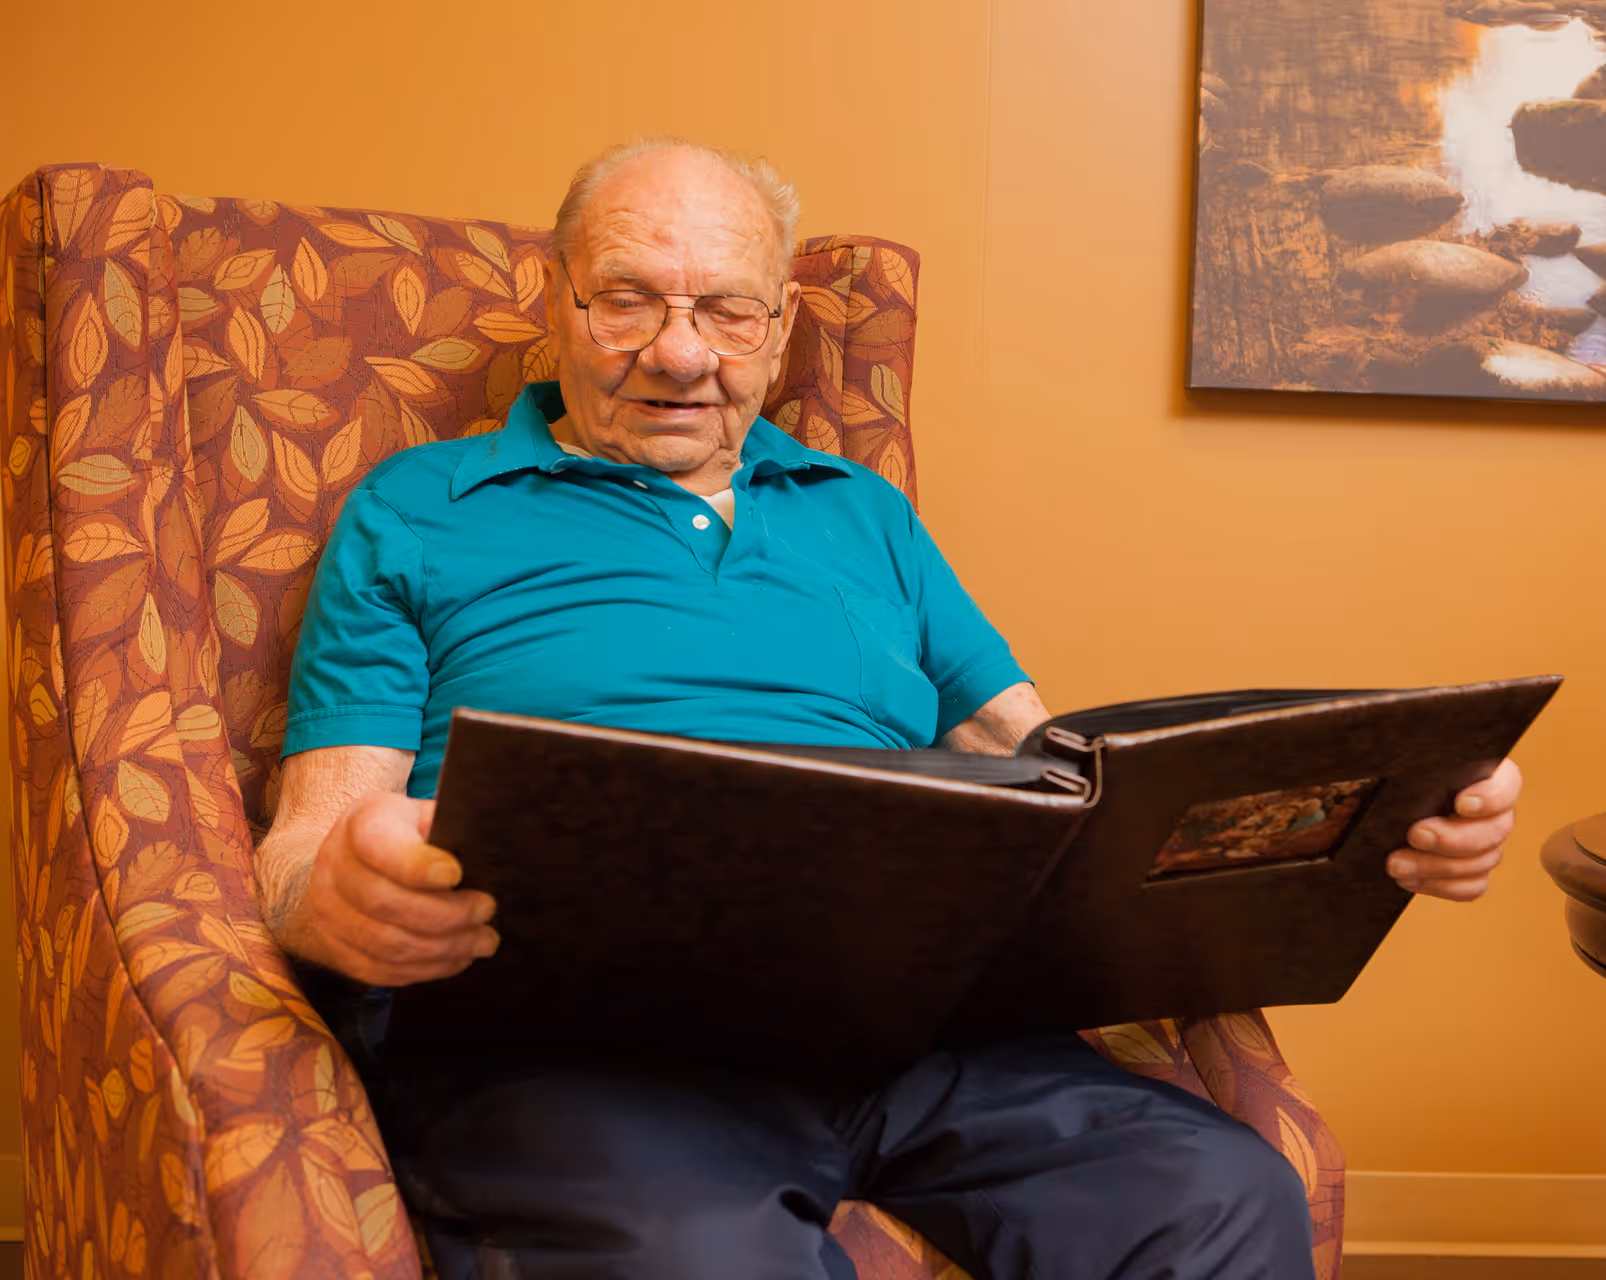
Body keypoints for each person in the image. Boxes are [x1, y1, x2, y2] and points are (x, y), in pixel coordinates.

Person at [254, 137, 1523, 1280]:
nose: (681, 353)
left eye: (728, 310)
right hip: (585, 1042)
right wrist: (344, 895)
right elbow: (316, 835)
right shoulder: (423, 507)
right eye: (628, 299)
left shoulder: (861, 511)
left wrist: (1374, 821)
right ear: (558, 299)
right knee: (700, 1258)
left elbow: (1053, 772)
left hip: (915, 1021)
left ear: (782, 320)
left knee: (1216, 1192)